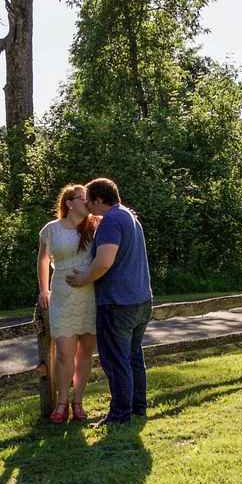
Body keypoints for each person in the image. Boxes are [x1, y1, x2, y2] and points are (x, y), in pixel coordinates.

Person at [67, 177, 153, 426]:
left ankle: (119, 415)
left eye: (90, 202)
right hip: (140, 300)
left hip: (118, 303)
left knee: (115, 360)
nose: (89, 208)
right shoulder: (129, 216)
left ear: (99, 199)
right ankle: (138, 408)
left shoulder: (111, 221)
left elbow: (104, 261)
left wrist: (84, 278)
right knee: (134, 357)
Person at [37, 184, 98, 424]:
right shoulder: (51, 229)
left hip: (91, 293)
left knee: (85, 353)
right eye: (82, 198)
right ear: (69, 203)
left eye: (88, 198)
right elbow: (42, 259)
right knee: (64, 353)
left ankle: (79, 402)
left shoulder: (96, 224)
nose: (87, 202)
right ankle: (62, 402)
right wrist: (44, 289)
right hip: (62, 292)